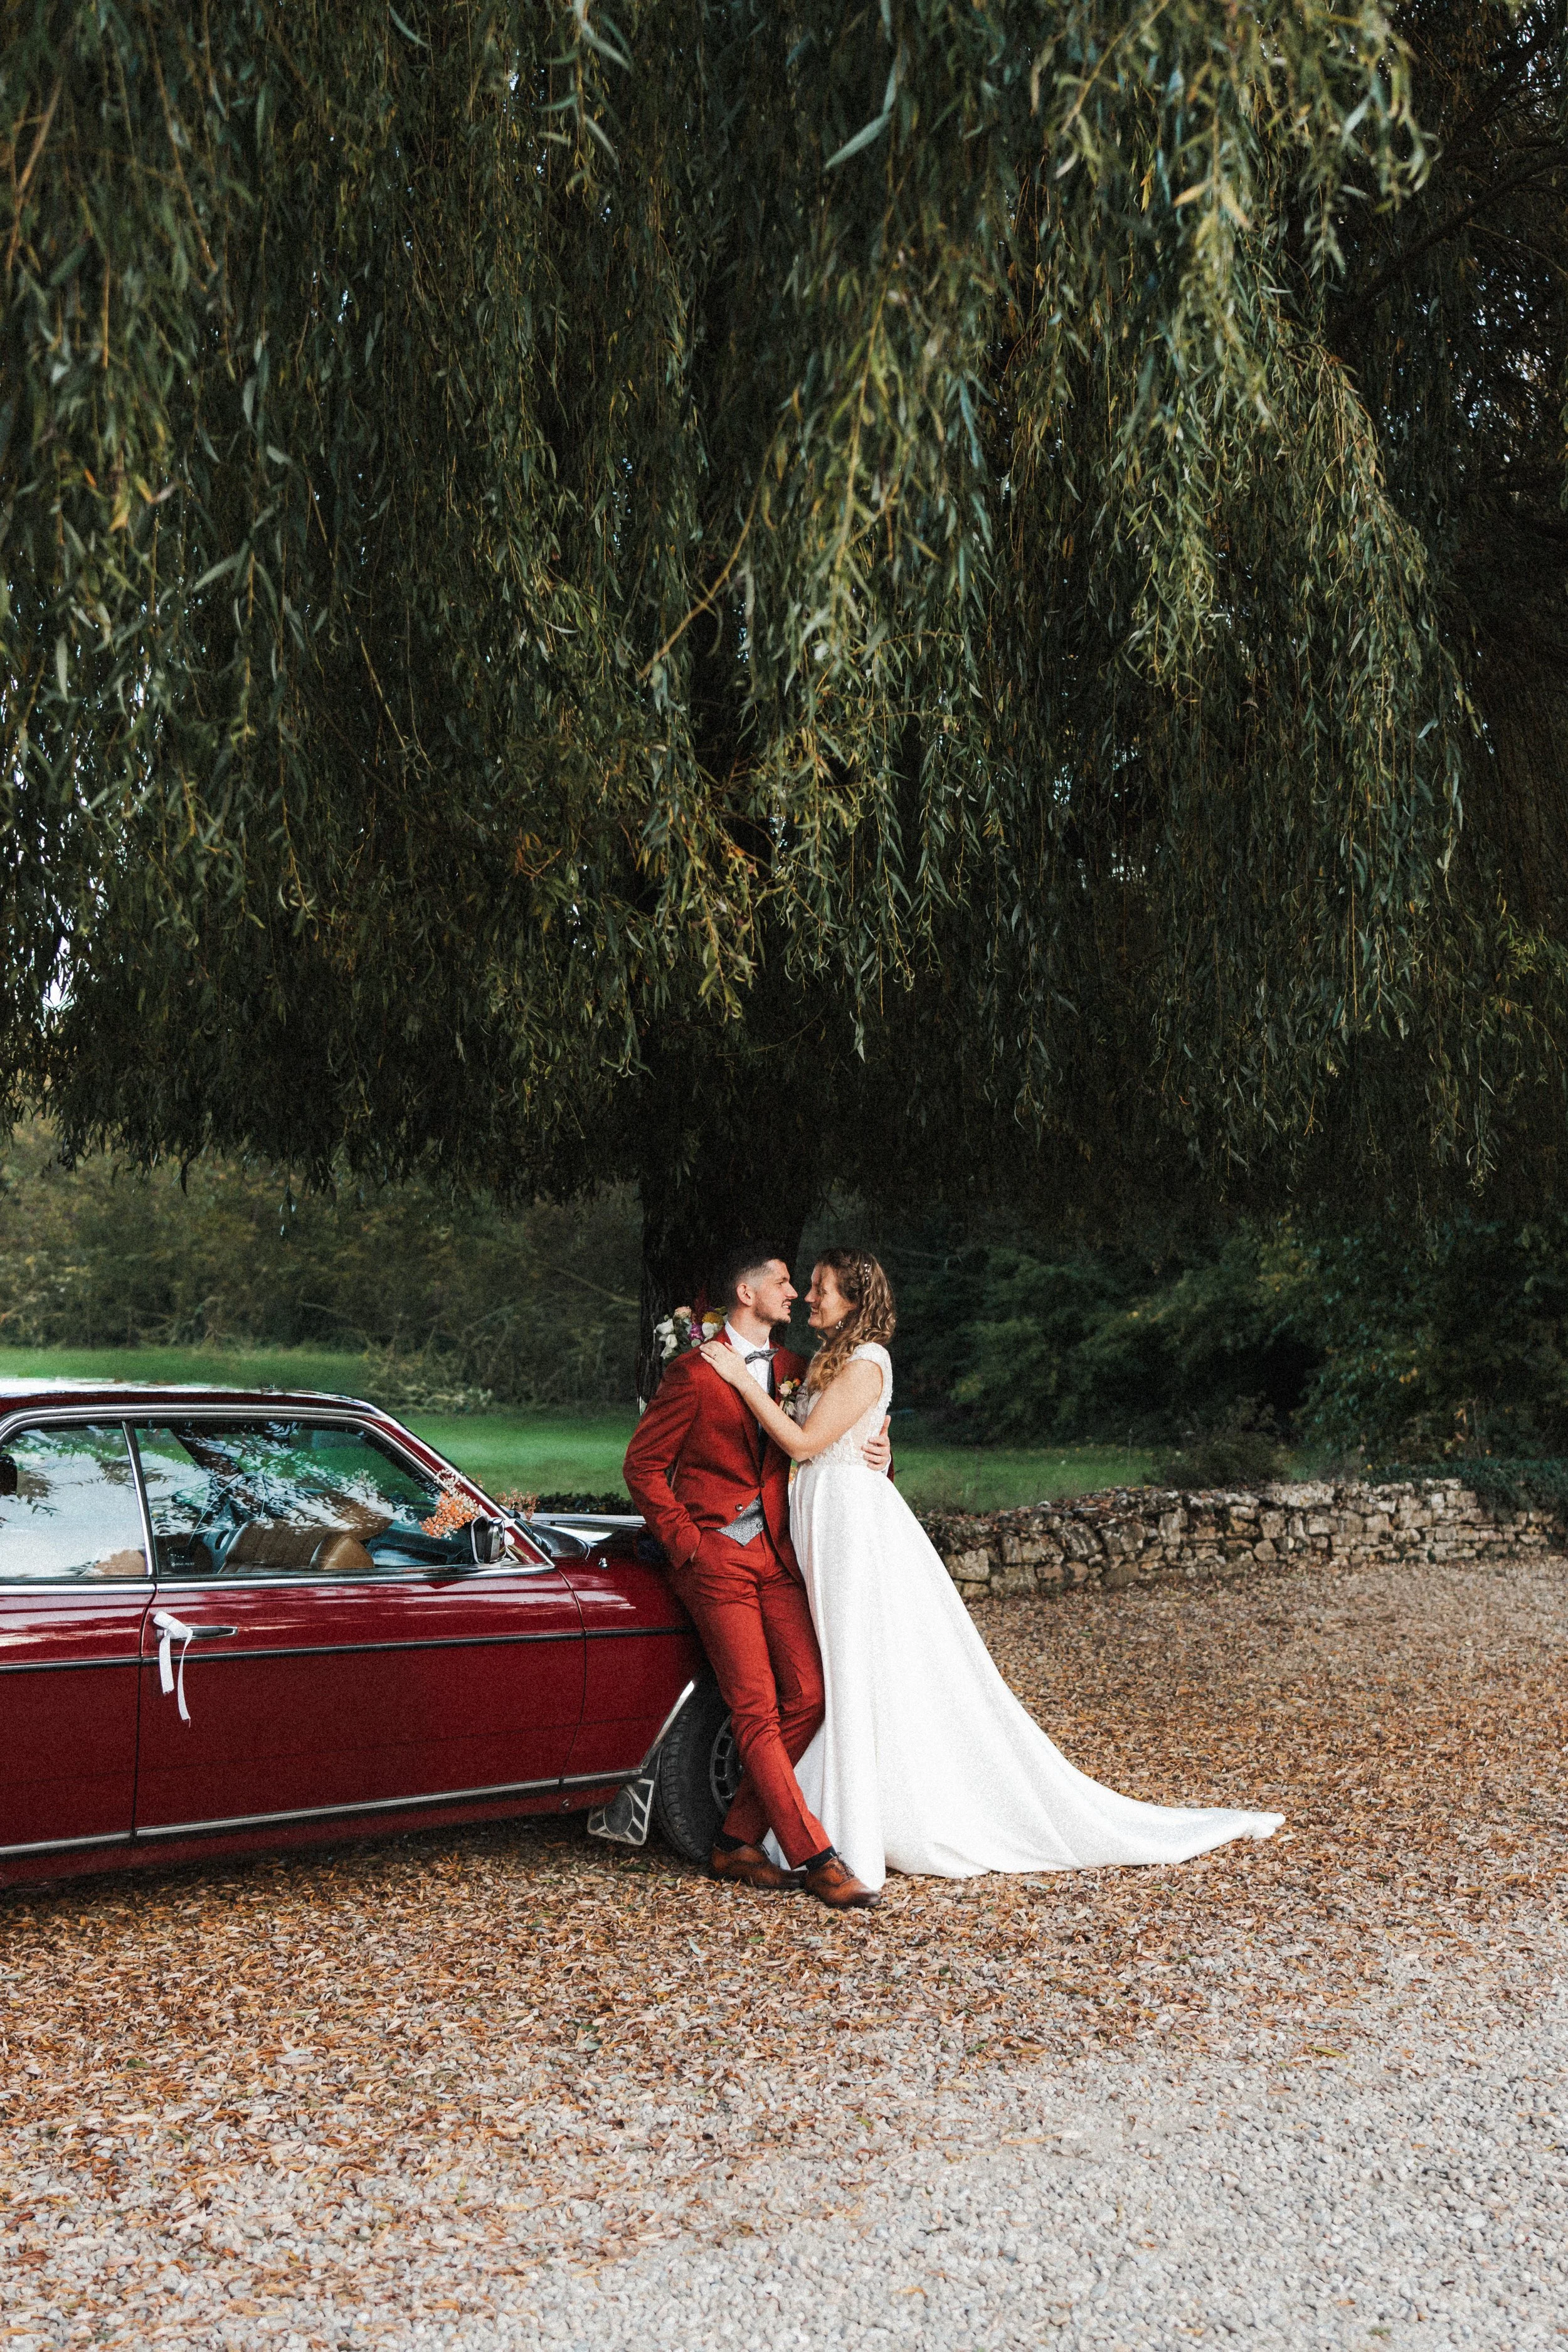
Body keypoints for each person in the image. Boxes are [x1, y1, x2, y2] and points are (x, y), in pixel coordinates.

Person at [699, 1247, 1285, 1895]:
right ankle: (823, 1816)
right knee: (837, 1674)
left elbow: (806, 1444)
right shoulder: (824, 1361)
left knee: (852, 1668)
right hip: (818, 1525)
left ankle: (853, 1825)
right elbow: (827, 1437)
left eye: (822, 1289)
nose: (810, 1298)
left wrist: (741, 1381)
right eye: (806, 1287)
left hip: (852, 1533)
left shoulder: (869, 1362)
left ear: (855, 1301)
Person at [623, 1244, 891, 1910]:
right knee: (755, 1707)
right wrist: (689, 1546)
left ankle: (737, 1841)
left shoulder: (800, 1369)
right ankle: (817, 1857)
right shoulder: (692, 1373)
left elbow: (835, 1434)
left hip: (777, 1556)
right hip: (713, 1560)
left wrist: (883, 1454)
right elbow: (642, 1467)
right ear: (747, 1293)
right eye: (782, 1282)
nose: (796, 1293)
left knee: (808, 1694)